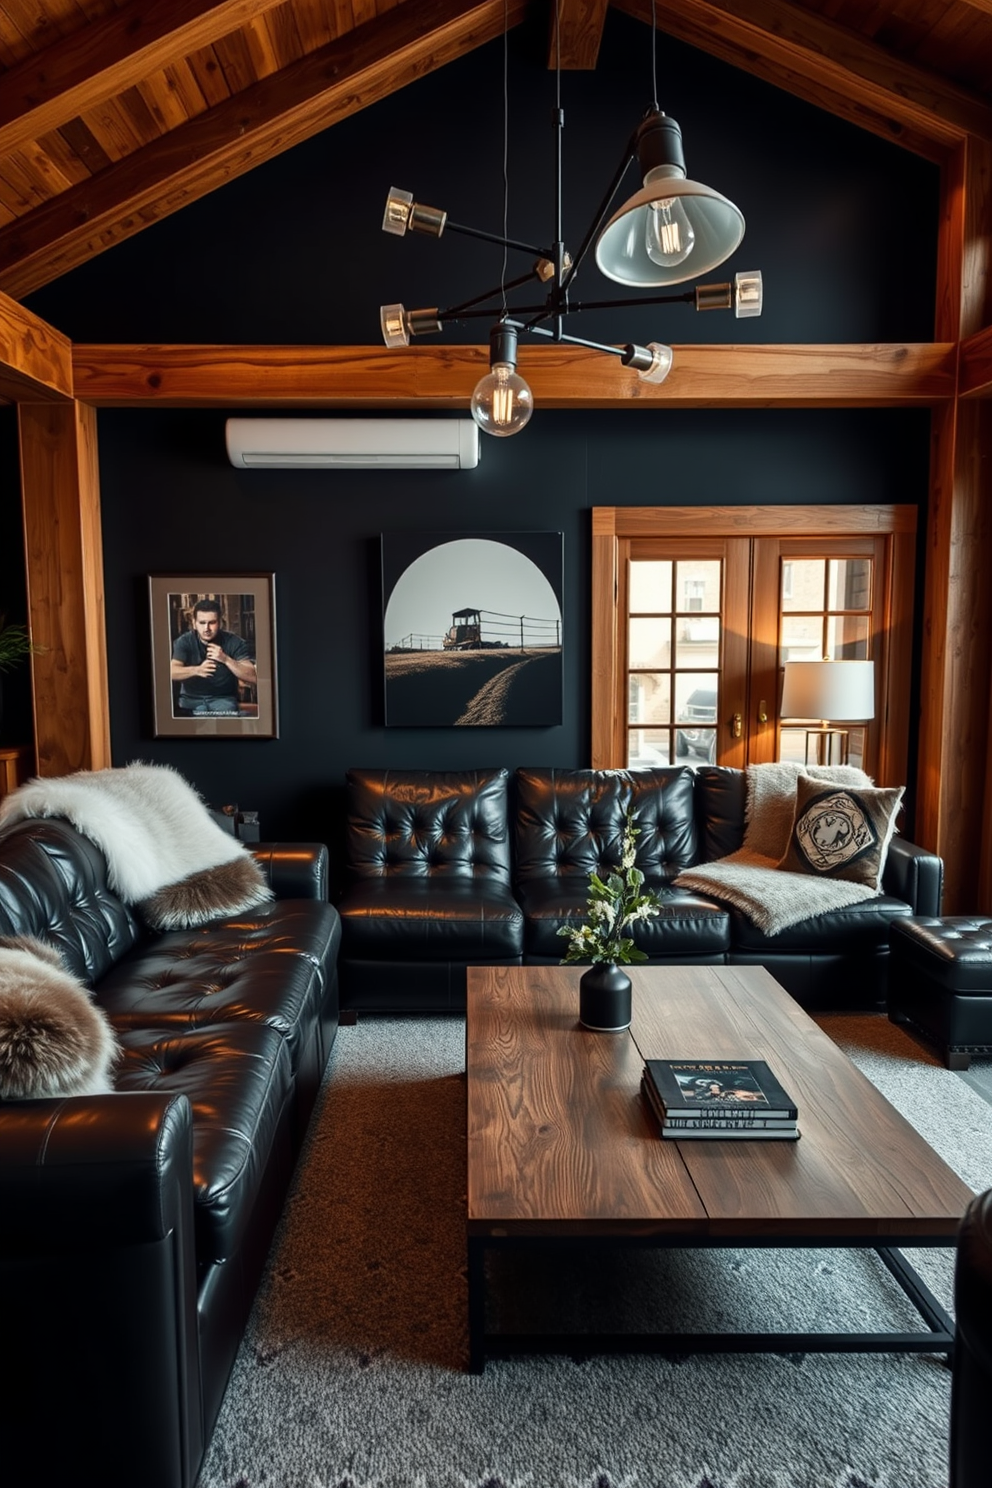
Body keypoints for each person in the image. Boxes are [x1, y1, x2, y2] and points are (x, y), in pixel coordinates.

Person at [170, 597, 257, 716]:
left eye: (212, 622)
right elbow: (171, 672)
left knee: (226, 725)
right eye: (202, 623)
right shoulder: (184, 641)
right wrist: (197, 670)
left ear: (220, 623)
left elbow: (253, 677)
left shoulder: (235, 642)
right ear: (194, 623)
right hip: (191, 701)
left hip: (223, 700)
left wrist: (225, 659)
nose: (207, 629)